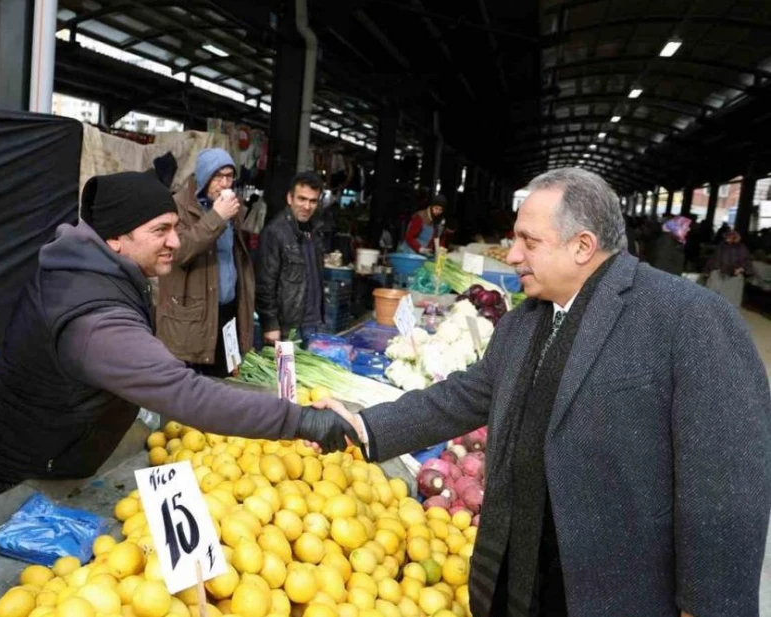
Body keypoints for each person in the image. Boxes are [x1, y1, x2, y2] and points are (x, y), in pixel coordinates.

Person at [321, 168, 771, 617]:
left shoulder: (686, 318)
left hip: (613, 594)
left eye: (529, 242)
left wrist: (710, 605)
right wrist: (362, 425)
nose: (514, 255)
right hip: (517, 576)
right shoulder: (525, 321)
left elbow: (725, 481)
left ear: (582, 246)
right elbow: (462, 396)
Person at [0, 171, 358, 504]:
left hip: (46, 443)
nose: (174, 241)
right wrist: (300, 420)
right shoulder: (93, 319)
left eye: (175, 227)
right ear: (116, 238)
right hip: (18, 463)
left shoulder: (96, 269)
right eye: (161, 230)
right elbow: (185, 394)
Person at [156, 148, 254, 377]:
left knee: (226, 381)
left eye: (229, 176)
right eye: (218, 177)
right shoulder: (177, 206)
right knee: (193, 390)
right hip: (194, 317)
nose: (224, 183)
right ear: (203, 176)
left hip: (227, 313)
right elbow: (177, 252)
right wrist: (216, 218)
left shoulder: (231, 209)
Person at [256, 171, 326, 344]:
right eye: (302, 199)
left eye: (313, 201)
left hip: (312, 323)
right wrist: (270, 324)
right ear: (290, 198)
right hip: (288, 328)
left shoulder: (314, 232)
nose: (307, 206)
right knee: (285, 372)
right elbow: (265, 284)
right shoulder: (275, 232)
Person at [705, 228, 755, 308]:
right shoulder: (721, 246)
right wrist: (708, 271)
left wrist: (740, 269)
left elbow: (746, 263)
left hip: (734, 277)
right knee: (713, 298)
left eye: (729, 237)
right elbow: (714, 259)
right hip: (719, 274)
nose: (727, 238)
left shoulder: (741, 248)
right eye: (727, 237)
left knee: (730, 301)